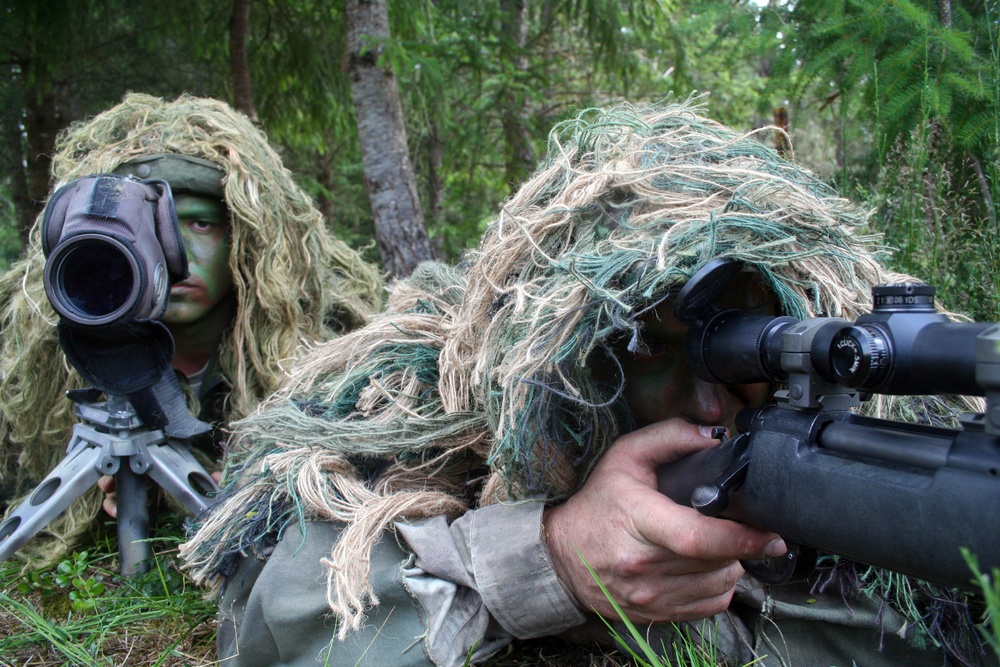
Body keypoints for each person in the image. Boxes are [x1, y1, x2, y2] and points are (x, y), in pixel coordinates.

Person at [181, 100, 991, 666]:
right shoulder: (437, 398)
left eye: (743, 354)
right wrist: (550, 558)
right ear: (564, 364)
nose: (710, 403)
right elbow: (270, 618)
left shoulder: (889, 416)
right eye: (648, 349)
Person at [0, 92, 383, 567]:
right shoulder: (39, 357)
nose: (172, 254)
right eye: (146, 229)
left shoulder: (326, 340)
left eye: (199, 224)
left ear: (248, 240)